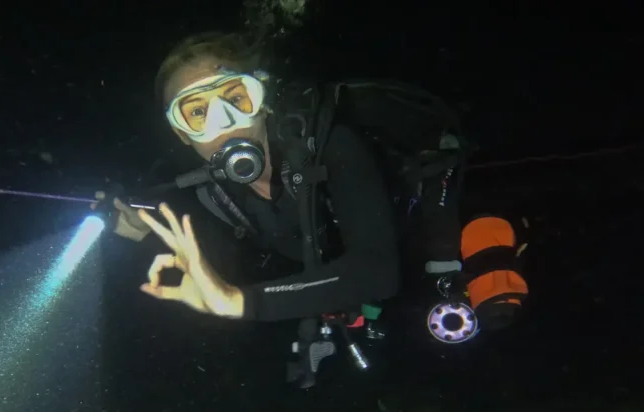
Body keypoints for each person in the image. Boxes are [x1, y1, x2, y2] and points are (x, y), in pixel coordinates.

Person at [106, 31, 526, 340]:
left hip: (419, 253)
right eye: (196, 113)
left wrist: (239, 302)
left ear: (264, 98)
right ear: (182, 134)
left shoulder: (329, 143)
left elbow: (376, 272)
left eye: (236, 98)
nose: (224, 123)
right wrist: (145, 236)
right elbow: (231, 269)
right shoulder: (213, 194)